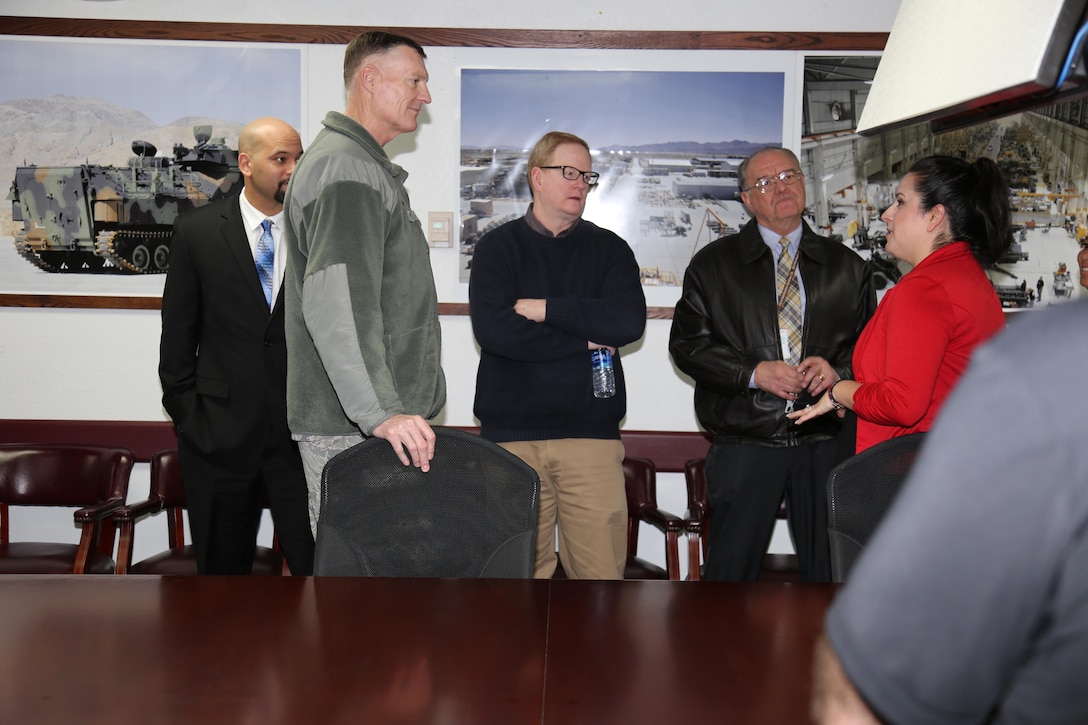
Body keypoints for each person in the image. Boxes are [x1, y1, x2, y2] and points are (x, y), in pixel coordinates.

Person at [811, 298, 1088, 725]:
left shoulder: (1046, 365)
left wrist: (837, 390)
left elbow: (860, 687)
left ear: (932, 222)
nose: (885, 223)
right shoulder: (976, 286)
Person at [669, 146, 875, 582]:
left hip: (826, 438)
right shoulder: (713, 266)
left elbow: (872, 348)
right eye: (765, 182)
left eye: (789, 175)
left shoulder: (848, 267)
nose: (781, 187)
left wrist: (839, 370)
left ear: (803, 183)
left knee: (832, 573)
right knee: (729, 576)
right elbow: (687, 346)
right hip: (746, 439)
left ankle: (827, 652)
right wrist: (752, 373)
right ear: (746, 199)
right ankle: (722, 652)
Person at [283, 31, 446, 535]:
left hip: (376, 425)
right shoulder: (347, 169)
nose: (426, 94)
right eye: (414, 80)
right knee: (361, 594)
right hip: (359, 430)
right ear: (370, 79)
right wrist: (382, 414)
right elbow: (339, 304)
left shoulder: (359, 166)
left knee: (380, 595)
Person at [469, 131, 646, 579]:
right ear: (536, 178)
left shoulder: (609, 250)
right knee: (514, 582)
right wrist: (584, 338)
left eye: (586, 175)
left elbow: (626, 324)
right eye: (568, 172)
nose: (580, 183)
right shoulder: (496, 248)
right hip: (511, 439)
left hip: (590, 438)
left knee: (600, 580)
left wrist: (546, 309)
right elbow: (496, 333)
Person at [158, 117, 314, 575]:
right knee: (221, 591)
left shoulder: (317, 233)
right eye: (281, 159)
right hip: (218, 440)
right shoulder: (198, 232)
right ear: (246, 163)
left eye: (298, 159)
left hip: (301, 438)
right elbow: (178, 336)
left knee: (319, 579)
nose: (293, 169)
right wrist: (189, 415)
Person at [789, 156, 1011, 453]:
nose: (886, 214)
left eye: (900, 202)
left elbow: (902, 404)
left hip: (906, 467)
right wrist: (853, 393)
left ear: (934, 217)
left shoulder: (925, 289)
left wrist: (838, 392)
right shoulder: (967, 277)